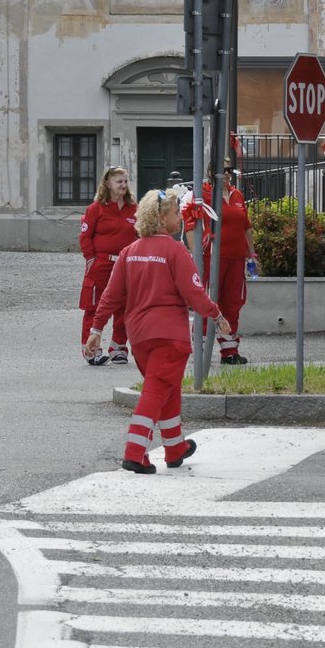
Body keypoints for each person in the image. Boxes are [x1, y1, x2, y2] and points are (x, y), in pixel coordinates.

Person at [86, 189, 231, 474]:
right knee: (155, 392)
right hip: (170, 336)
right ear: (163, 219)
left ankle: (175, 447)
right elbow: (194, 293)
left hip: (139, 338)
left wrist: (96, 329)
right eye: (177, 212)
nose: (180, 217)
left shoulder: (129, 252)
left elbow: (111, 296)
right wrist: (216, 315)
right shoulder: (175, 250)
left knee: (166, 388)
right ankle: (135, 452)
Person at [78, 166, 138, 366]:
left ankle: (119, 348)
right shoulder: (96, 208)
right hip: (102, 264)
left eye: (125, 181)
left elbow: (140, 234)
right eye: (119, 181)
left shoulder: (134, 208)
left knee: (124, 307)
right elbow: (85, 236)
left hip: (125, 265)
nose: (123, 185)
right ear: (107, 184)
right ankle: (91, 350)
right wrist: (91, 259)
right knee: (94, 307)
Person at [202, 166, 256, 364]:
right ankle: (201, 349)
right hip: (213, 257)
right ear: (211, 171)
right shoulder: (204, 193)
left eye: (228, 169)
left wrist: (252, 253)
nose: (225, 172)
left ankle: (229, 351)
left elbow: (246, 226)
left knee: (233, 303)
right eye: (221, 168)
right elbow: (193, 223)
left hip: (236, 257)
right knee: (209, 302)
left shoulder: (237, 195)